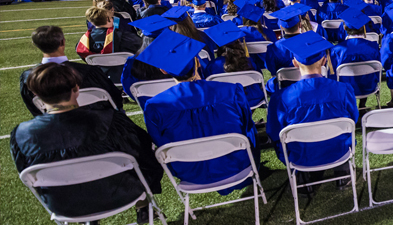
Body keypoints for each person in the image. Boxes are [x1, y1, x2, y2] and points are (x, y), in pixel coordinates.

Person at [10, 63, 164, 225]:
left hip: (64, 204)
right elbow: (144, 154)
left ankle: (90, 221)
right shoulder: (110, 121)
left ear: (35, 95)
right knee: (143, 159)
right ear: (77, 89)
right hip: (121, 193)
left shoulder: (22, 135)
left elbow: (28, 176)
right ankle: (143, 207)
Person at [141, 30, 258, 194]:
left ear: (163, 70)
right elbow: (247, 126)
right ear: (197, 62)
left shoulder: (154, 106)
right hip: (235, 164)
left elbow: (160, 142)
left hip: (190, 173)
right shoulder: (231, 91)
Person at [267, 31, 359, 173]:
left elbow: (274, 132)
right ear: (324, 61)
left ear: (295, 63)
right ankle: (343, 171)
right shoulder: (343, 89)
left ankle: (303, 181)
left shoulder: (281, 98)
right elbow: (353, 119)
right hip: (338, 150)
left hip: (300, 157)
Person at [19, 25, 122, 117]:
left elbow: (34, 109)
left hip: (57, 128)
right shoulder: (89, 72)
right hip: (97, 123)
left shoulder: (28, 77)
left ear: (36, 45)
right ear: (62, 42)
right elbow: (115, 97)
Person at [202, 21, 267, 110]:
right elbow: (260, 79)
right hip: (251, 99)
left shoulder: (212, 66)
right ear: (238, 41)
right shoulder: (249, 61)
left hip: (225, 101)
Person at [330, 10, 381, 108]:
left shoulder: (337, 50)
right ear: (363, 27)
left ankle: (348, 107)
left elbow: (332, 74)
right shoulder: (373, 46)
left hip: (345, 88)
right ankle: (362, 105)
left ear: (344, 28)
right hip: (369, 86)